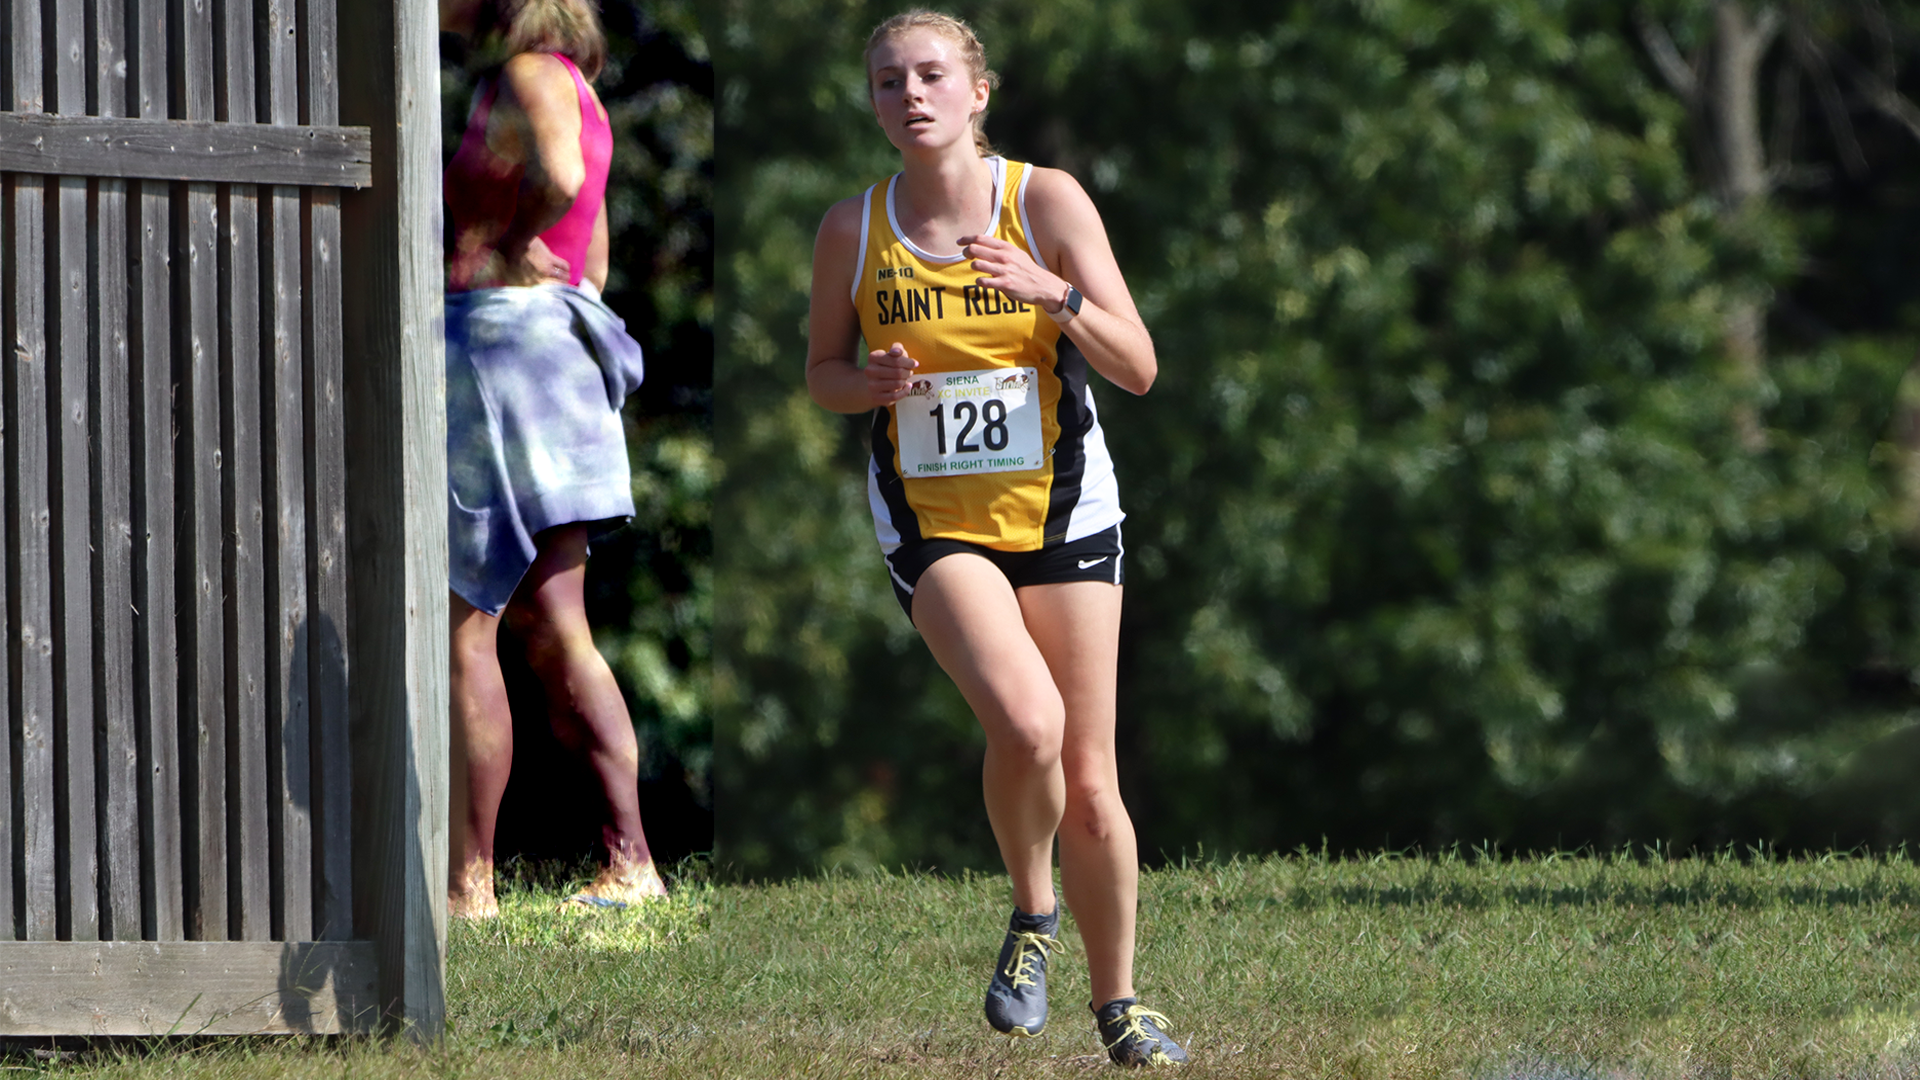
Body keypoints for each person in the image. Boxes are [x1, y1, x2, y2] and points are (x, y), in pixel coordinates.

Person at [804, 9, 1188, 1066]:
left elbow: (1139, 366)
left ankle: (1121, 1005)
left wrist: (1050, 292)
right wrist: (867, 383)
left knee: (1094, 778)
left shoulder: (1044, 200)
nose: (909, 96)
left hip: (1065, 511)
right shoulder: (853, 227)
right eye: (887, 82)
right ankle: (1033, 919)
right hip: (936, 525)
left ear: (979, 92)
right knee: (1026, 725)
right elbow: (822, 377)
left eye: (930, 76)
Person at [440, 0, 667, 918]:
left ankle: (468, 887)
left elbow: (563, 181)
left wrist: (497, 244)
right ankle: (632, 861)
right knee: (557, 624)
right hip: (560, 358)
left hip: (497, 353)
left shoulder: (524, 73)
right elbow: (598, 262)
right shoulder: (580, 87)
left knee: (466, 626)